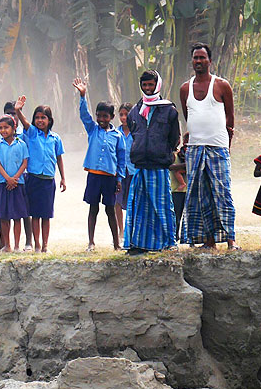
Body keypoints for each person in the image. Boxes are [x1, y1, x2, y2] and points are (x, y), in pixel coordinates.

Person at [179, 43, 238, 250]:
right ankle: (208, 240)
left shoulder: (222, 85)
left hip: (218, 147)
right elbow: (189, 117)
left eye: (202, 58)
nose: (198, 61)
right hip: (195, 148)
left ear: (210, 61)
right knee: (199, 194)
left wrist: (227, 144)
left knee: (222, 192)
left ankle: (231, 240)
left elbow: (230, 118)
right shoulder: (185, 88)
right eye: (195, 58)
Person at [124, 71, 181, 254]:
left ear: (157, 85)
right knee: (140, 206)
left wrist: (162, 152)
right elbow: (135, 134)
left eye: (150, 85)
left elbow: (174, 139)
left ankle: (168, 242)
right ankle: (139, 244)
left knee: (162, 205)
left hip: (158, 165)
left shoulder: (169, 110)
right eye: (144, 85)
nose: (147, 89)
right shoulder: (135, 110)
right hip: (140, 166)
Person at [74, 78, 126, 251]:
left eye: (105, 116)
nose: (101, 119)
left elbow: (121, 158)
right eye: (99, 115)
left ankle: (117, 243)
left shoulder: (117, 136)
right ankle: (91, 242)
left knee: (110, 210)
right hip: (94, 176)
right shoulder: (93, 129)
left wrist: (119, 178)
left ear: (111, 117)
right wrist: (83, 95)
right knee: (93, 209)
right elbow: (84, 115)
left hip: (110, 178)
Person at [15, 97, 66, 253]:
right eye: (37, 117)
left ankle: (45, 245)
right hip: (34, 179)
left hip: (48, 180)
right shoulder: (32, 134)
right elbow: (24, 123)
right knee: (35, 214)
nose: (40, 120)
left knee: (46, 214)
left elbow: (59, 158)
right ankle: (37, 245)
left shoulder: (55, 138)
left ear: (49, 120)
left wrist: (63, 177)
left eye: (43, 117)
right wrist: (18, 110)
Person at [0, 115, 29, 252]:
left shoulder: (21, 144)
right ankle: (7, 245)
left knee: (17, 216)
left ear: (14, 128)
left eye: (6, 127)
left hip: (18, 184)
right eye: (1, 128)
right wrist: (8, 178)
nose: (3, 130)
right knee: (4, 216)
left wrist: (14, 178)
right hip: (3, 183)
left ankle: (16, 246)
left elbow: (24, 163)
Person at [4, 101, 33, 251]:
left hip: (23, 176)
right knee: (6, 211)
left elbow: (26, 157)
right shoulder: (2, 134)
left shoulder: (25, 133)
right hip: (6, 179)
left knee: (24, 210)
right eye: (8, 113)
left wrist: (16, 177)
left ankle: (28, 241)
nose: (11, 116)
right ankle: (6, 243)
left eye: (14, 113)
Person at [115, 103, 135, 238]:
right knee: (117, 200)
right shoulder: (115, 133)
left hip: (134, 170)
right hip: (119, 172)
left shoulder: (137, 132)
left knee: (132, 201)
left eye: (126, 114)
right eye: (121, 115)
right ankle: (120, 231)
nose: (123, 118)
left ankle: (130, 230)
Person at [169, 141, 187, 241]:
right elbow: (170, 167)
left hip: (188, 189)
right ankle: (175, 236)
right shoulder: (172, 155)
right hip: (176, 189)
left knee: (187, 216)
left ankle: (186, 238)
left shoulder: (187, 153)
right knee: (176, 215)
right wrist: (185, 165)